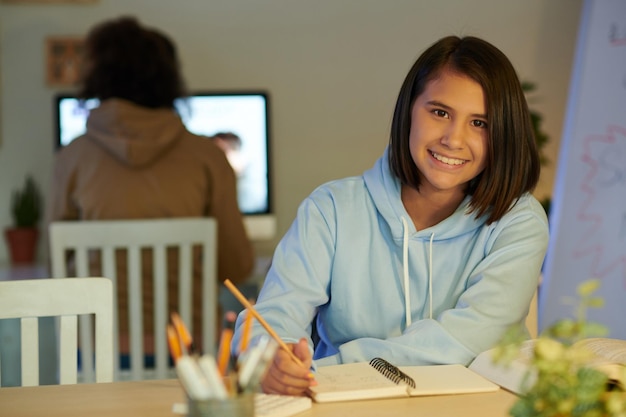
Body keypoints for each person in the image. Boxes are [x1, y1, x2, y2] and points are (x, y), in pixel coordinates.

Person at [231, 35, 549, 395]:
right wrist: (271, 357)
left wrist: (326, 368)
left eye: (480, 123)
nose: (453, 139)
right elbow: (273, 316)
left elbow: (468, 340)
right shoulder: (331, 209)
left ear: (504, 133)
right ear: (409, 110)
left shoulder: (519, 221)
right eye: (440, 112)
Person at [48, 16, 254, 354]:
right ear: (168, 79)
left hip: (97, 348)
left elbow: (58, 264)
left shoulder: (71, 158)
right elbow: (238, 267)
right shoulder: (207, 158)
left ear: (98, 79)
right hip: (189, 350)